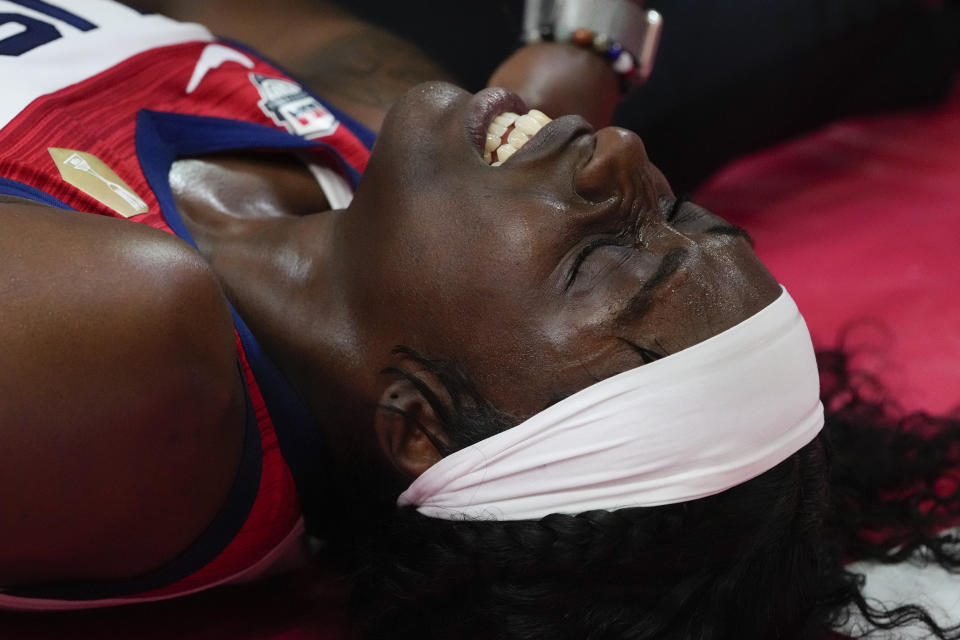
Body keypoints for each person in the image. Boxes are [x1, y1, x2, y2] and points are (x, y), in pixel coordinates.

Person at [1, 1, 959, 639]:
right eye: (674, 211)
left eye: (600, 254)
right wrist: (590, 46)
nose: (623, 156)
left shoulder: (127, 373)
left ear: (416, 421)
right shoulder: (380, 164)